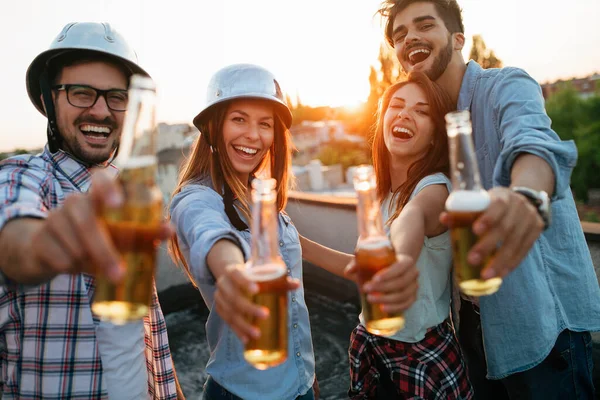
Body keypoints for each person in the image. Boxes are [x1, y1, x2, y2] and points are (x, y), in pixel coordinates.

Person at [377, 1, 600, 399]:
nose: (409, 37)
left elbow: (533, 143)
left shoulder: (505, 85)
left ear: (458, 39)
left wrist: (527, 195)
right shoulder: (430, 124)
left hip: (542, 327)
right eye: (399, 34)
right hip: (474, 332)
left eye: (424, 25)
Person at [168, 63, 419, 400]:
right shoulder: (197, 199)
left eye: (265, 124)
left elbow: (294, 246)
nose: (253, 135)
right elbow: (208, 232)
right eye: (239, 119)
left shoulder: (258, 194)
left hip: (297, 386)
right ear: (213, 128)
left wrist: (357, 268)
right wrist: (232, 273)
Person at [0, 22, 184, 399]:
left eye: (117, 96)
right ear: (50, 100)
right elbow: (17, 243)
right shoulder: (21, 177)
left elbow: (146, 325)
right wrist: (45, 245)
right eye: (82, 93)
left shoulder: (130, 194)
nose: (101, 111)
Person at [302, 72, 473, 399]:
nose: (406, 114)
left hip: (421, 359)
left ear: (436, 136)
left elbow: (413, 219)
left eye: (422, 111)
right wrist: (298, 246)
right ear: (382, 121)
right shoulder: (381, 197)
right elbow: (364, 267)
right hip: (373, 350)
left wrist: (401, 261)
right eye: (397, 105)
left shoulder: (435, 188)